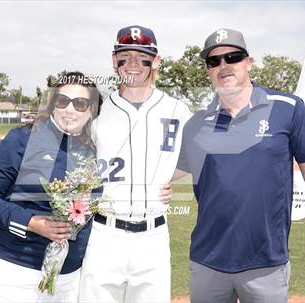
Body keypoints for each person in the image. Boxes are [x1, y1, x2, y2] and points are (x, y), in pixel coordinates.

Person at [175, 28, 305, 303]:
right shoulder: (196, 124)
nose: (223, 66)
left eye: (232, 57)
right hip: (207, 262)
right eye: (214, 61)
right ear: (208, 70)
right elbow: (168, 172)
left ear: (249, 62)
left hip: (266, 264)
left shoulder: (287, 108)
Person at [78, 25, 192, 303]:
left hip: (153, 238)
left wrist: (165, 178)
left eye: (142, 57)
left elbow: (194, 158)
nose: (133, 64)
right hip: (104, 234)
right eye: (124, 56)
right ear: (113, 60)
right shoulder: (96, 109)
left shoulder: (178, 110)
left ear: (156, 61)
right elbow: (64, 148)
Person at [0, 71, 102, 303]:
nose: (70, 109)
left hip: (69, 276)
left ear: (91, 110)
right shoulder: (22, 139)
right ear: (52, 105)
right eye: (63, 101)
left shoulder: (96, 149)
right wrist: (32, 223)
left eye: (80, 103)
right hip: (11, 268)